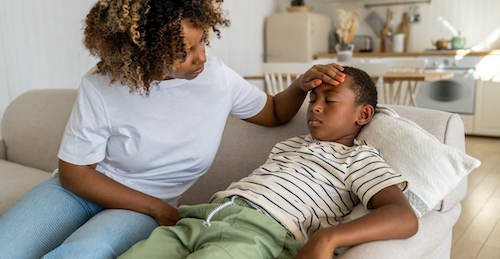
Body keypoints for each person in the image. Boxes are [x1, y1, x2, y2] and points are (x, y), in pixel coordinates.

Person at [0, 0, 346, 258]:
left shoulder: (217, 79)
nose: (202, 58)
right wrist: (156, 208)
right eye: (184, 51)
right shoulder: (101, 84)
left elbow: (272, 111)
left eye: (202, 42)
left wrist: (302, 84)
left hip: (138, 208)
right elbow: (75, 173)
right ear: (144, 53)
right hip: (74, 193)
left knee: (82, 253)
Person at [118, 66, 419, 259]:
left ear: (363, 115)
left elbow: (403, 216)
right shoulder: (291, 145)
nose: (314, 106)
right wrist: (301, 84)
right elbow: (282, 107)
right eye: (313, 98)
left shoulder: (358, 157)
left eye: (330, 100)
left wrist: (329, 238)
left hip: (258, 234)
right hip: (201, 218)